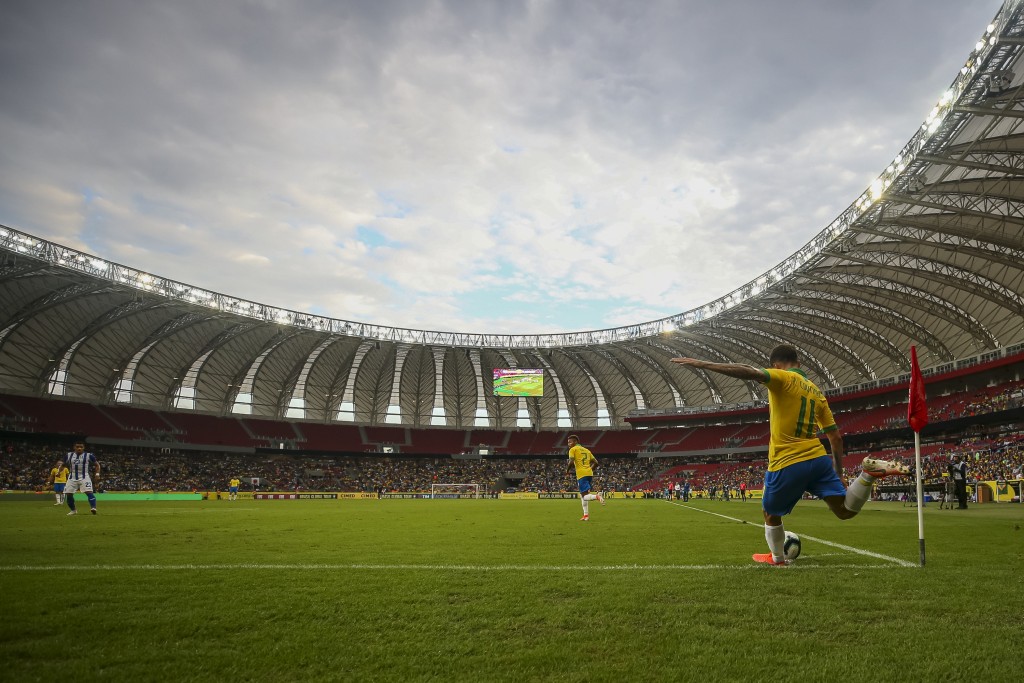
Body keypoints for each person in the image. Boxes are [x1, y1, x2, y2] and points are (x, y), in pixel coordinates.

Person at [672, 344, 909, 566]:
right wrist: (838, 474)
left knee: (770, 513)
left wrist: (703, 364)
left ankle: (777, 558)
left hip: (788, 460)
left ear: (776, 365)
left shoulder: (784, 378)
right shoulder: (817, 392)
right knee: (844, 511)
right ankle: (867, 475)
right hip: (817, 459)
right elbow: (836, 438)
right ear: (797, 361)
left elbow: (749, 372)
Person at [566, 434, 604, 521]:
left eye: (570, 442)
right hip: (589, 473)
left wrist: (567, 471)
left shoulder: (573, 449)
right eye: (568, 442)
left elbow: (571, 462)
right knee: (583, 495)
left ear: (576, 442)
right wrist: (590, 469)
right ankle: (586, 515)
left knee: (584, 496)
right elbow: (596, 462)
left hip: (581, 474)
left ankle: (597, 497)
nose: (568, 444)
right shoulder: (587, 450)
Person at [64, 440, 100, 516]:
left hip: (84, 477)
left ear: (84, 448)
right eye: (77, 447)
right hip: (72, 477)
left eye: (81, 447)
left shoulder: (89, 455)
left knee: (89, 492)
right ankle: (73, 510)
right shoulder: (69, 455)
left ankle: (93, 508)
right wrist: (58, 472)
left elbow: (97, 465)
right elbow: (63, 464)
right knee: (69, 494)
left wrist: (97, 474)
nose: (79, 448)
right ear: (74, 447)